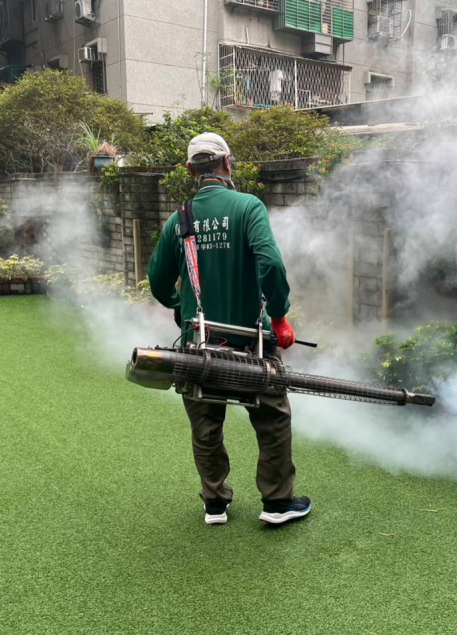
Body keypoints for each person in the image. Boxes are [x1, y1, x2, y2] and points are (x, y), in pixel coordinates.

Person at [148, 132, 312, 527]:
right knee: (271, 417)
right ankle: (276, 502)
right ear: (227, 164)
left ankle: (215, 503)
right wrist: (279, 317)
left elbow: (157, 279)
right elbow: (270, 264)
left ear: (190, 170)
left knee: (206, 422)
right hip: (249, 343)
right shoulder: (247, 207)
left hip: (198, 345)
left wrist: (178, 306)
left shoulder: (179, 219)